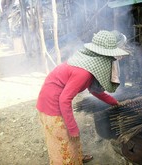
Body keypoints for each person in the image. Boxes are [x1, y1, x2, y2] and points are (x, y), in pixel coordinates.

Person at [36, 30, 129, 165]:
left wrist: (114, 102)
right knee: (63, 142)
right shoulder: (83, 72)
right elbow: (64, 100)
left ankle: (76, 157)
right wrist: (73, 127)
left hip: (54, 99)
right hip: (51, 105)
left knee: (71, 138)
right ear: (104, 57)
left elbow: (94, 90)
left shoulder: (88, 64)